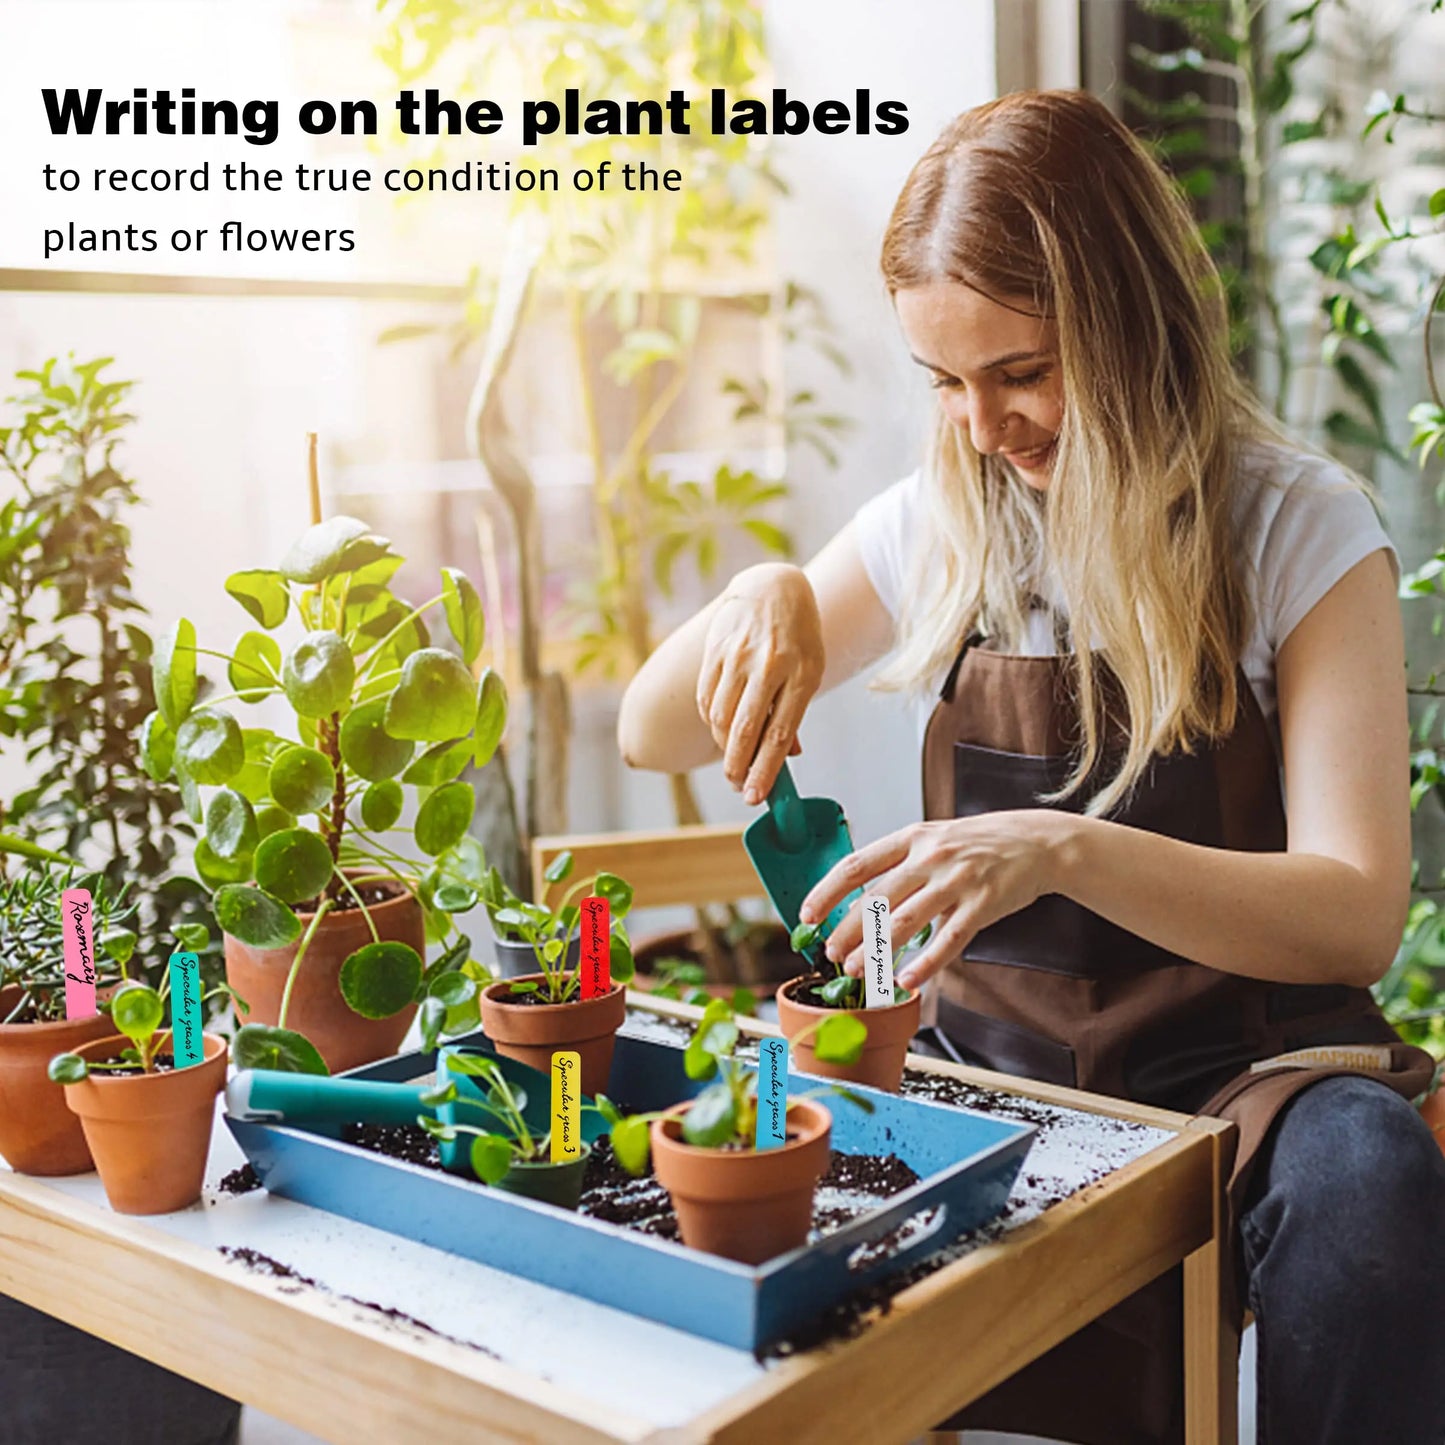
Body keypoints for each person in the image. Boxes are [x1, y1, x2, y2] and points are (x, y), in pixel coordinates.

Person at [616, 89, 1445, 1445]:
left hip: (1242, 1074)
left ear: (1130, 325)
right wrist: (766, 591)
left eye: (1020, 371)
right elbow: (652, 730)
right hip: (987, 1069)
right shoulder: (944, 520)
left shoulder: (1296, 525)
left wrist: (1061, 850)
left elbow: (1353, 912)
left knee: (1371, 1183)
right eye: (943, 382)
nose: (982, 426)